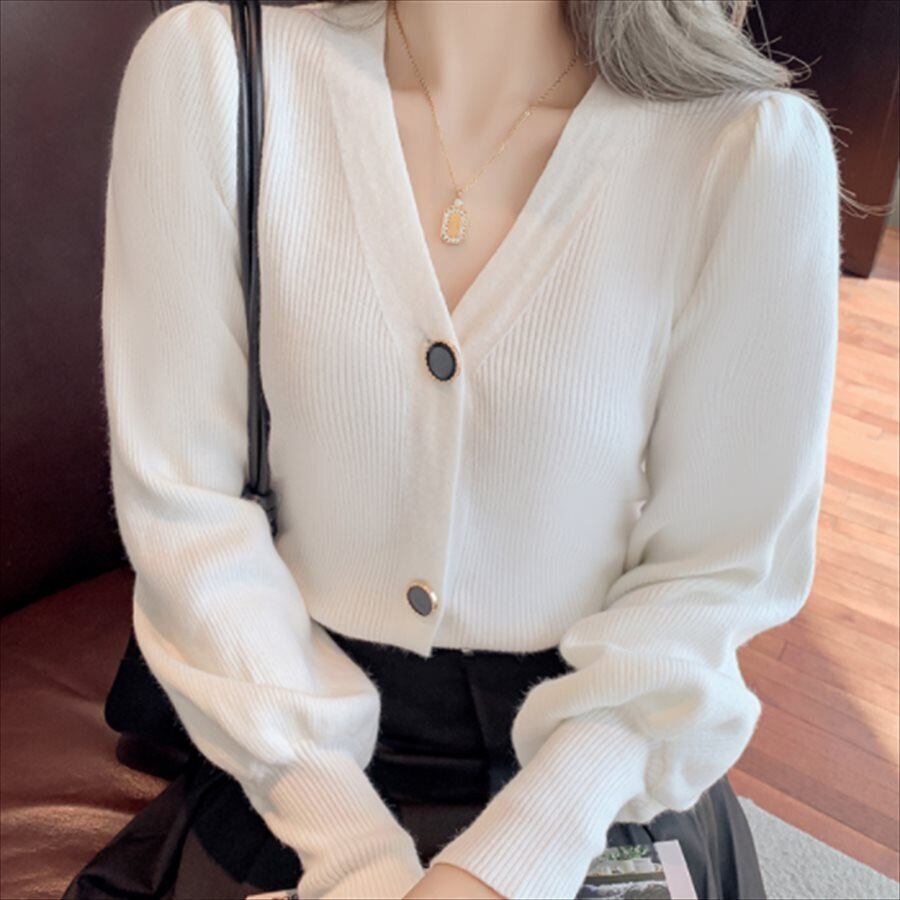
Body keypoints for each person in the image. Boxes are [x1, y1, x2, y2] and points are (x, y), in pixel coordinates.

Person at [65, 0, 844, 897]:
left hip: (588, 765)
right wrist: (355, 854)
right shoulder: (215, 75)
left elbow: (713, 578)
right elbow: (186, 515)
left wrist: (507, 866)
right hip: (289, 748)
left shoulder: (749, 152)